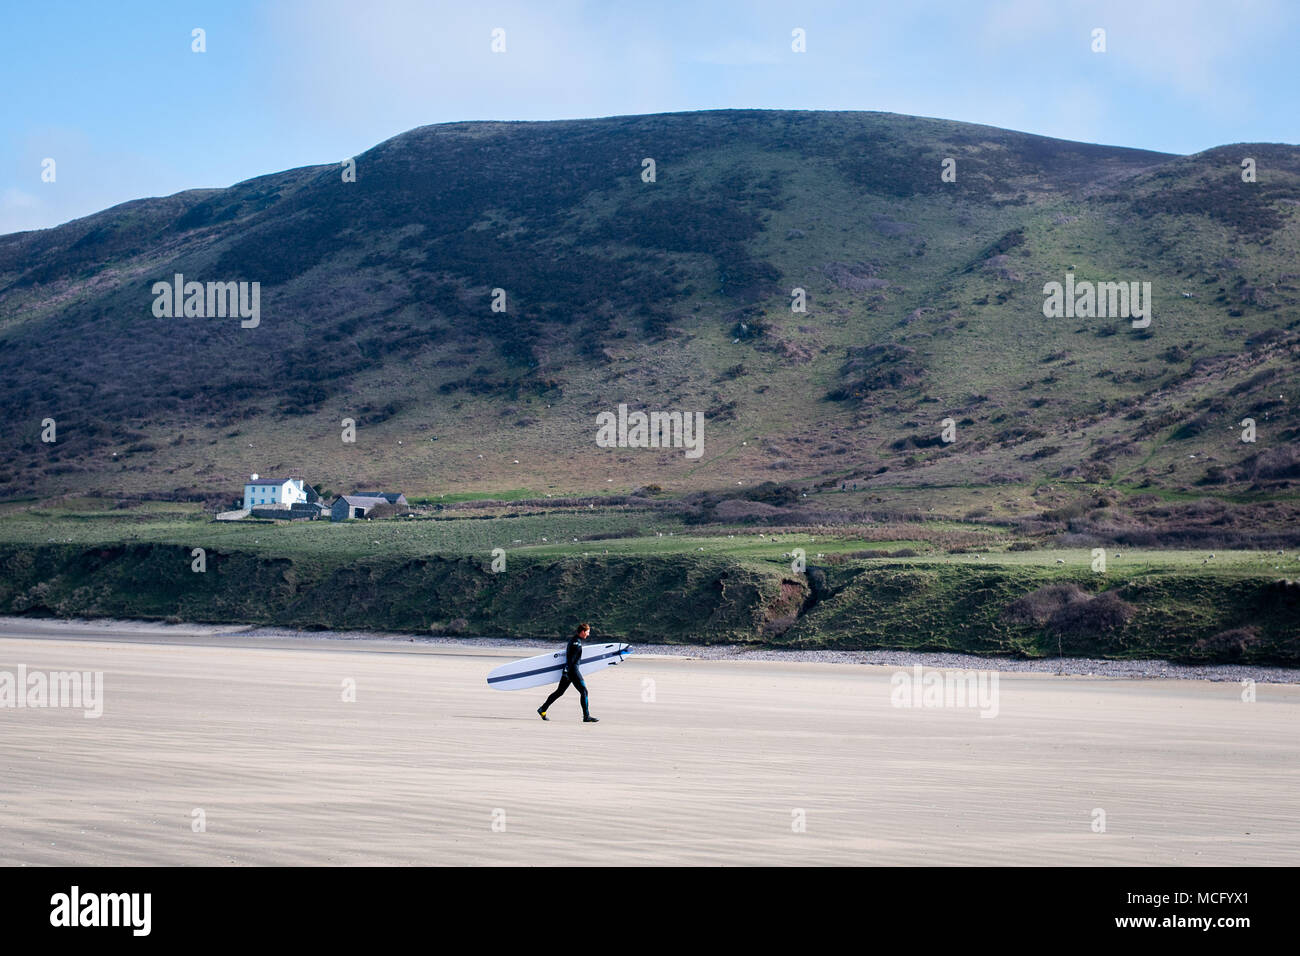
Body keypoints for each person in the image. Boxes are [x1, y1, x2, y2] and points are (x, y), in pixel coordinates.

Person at [538, 623, 599, 722]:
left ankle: (543, 709)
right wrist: (567, 672)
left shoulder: (574, 640)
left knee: (559, 692)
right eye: (588, 632)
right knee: (584, 692)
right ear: (583, 631)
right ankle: (586, 716)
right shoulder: (576, 643)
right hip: (572, 671)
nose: (588, 634)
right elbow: (571, 660)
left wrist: (566, 672)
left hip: (569, 671)